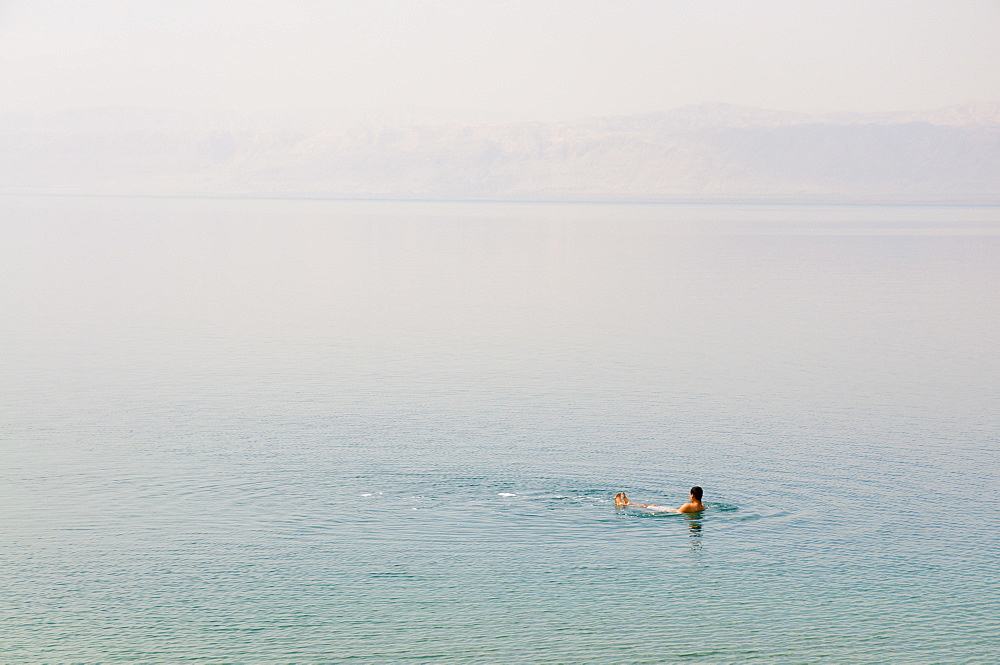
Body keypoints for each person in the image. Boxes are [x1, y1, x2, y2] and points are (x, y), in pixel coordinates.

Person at [614, 486, 705, 513]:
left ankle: (620, 503)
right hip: (670, 509)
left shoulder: (688, 505)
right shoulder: (702, 507)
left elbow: (677, 513)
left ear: (692, 495)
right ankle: (629, 502)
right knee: (653, 505)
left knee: (648, 506)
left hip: (668, 511)